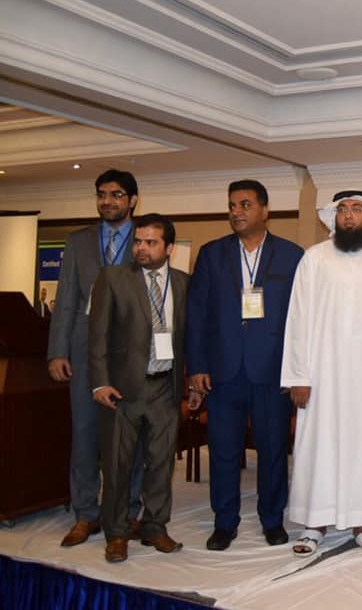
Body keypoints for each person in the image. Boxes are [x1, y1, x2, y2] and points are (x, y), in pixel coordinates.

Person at [281, 190, 362, 558]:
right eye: (342, 209)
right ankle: (315, 523)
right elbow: (298, 320)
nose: (349, 215)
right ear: (334, 216)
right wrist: (298, 376)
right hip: (321, 377)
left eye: (357, 209)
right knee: (319, 446)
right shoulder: (314, 258)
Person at [186, 179, 304, 550]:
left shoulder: (292, 255)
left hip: (272, 371)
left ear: (265, 210)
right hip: (223, 371)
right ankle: (225, 522)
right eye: (232, 205)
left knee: (272, 449)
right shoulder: (212, 254)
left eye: (245, 204)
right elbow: (197, 313)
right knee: (223, 451)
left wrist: (296, 370)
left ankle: (272, 519)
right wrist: (197, 366)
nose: (236, 211)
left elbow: (301, 318)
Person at [47, 169, 145, 547]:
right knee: (85, 435)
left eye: (116, 195)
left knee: (129, 440)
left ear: (132, 200)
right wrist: (58, 350)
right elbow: (66, 298)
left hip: (131, 355)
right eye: (102, 194)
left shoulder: (146, 237)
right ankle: (86, 514)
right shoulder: (79, 241)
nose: (107, 201)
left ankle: (127, 511)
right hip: (85, 351)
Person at [88, 213, 189, 563]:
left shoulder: (183, 283)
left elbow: (187, 337)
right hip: (122, 391)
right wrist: (100, 382)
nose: (142, 248)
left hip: (165, 388)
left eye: (151, 242)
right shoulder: (113, 278)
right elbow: (97, 334)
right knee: (118, 466)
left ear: (169, 248)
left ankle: (154, 527)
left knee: (161, 464)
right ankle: (116, 534)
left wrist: (191, 381)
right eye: (138, 241)